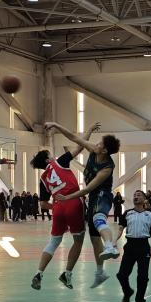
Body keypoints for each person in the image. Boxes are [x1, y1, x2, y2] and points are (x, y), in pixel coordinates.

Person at [45, 121, 121, 288]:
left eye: (100, 143)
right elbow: (74, 137)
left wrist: (67, 197)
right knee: (94, 238)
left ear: (105, 150)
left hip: (102, 195)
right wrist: (56, 125)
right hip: (93, 198)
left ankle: (110, 246)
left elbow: (87, 189)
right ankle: (100, 273)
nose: (96, 144)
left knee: (99, 218)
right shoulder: (94, 150)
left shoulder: (107, 168)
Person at [30, 135, 92, 291]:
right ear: (47, 159)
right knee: (78, 241)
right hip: (73, 202)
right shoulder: (59, 162)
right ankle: (67, 273)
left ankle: (39, 273)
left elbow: (43, 204)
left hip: (58, 207)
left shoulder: (43, 178)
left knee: (53, 242)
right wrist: (89, 131)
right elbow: (80, 146)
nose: (53, 156)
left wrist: (57, 207)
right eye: (50, 155)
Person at [118, 189, 151, 302]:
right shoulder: (127, 213)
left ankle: (140, 301)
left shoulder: (150, 214)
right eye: (134, 195)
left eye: (138, 195)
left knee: (143, 277)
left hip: (144, 246)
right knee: (122, 275)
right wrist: (114, 241)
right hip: (130, 246)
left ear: (144, 199)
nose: (135, 197)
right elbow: (120, 229)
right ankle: (127, 291)